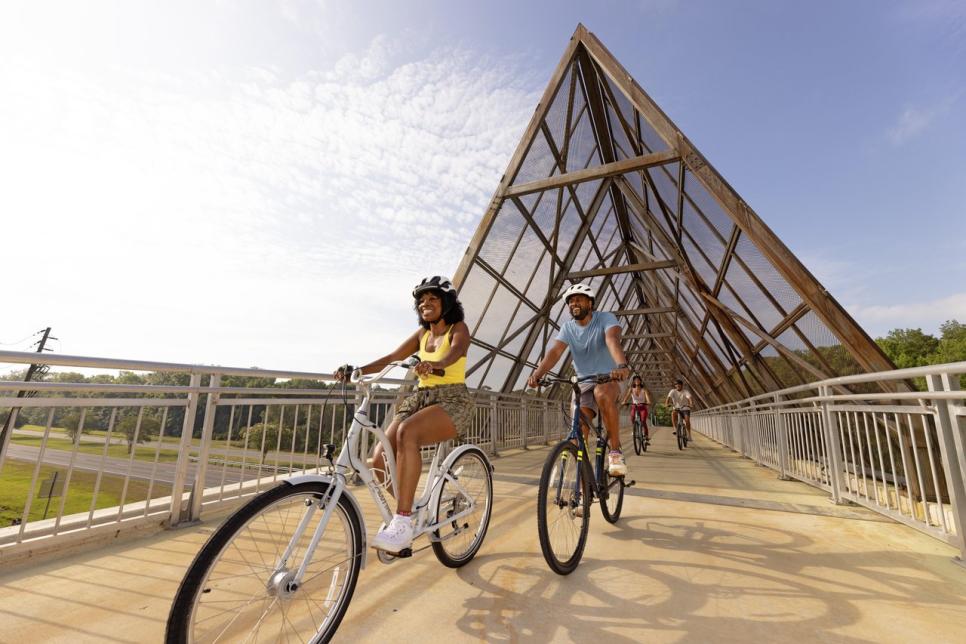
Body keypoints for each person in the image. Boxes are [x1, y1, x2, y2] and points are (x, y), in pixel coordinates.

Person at [335, 276, 473, 553]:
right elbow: (391, 357)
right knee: (378, 460)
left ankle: (402, 520)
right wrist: (357, 370)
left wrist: (435, 366)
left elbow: (455, 353)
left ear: (446, 302)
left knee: (407, 433)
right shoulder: (422, 335)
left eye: (433, 298)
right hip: (420, 398)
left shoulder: (458, 328)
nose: (426, 304)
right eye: (421, 301)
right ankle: (409, 509)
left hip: (452, 398)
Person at [527, 283, 631, 476]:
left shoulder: (605, 318)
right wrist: (537, 374)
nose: (574, 303)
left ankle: (615, 452)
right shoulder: (567, 328)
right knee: (578, 433)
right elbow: (555, 352)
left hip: (609, 377)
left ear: (590, 303)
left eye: (579, 299)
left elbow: (612, 339)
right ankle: (582, 490)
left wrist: (621, 366)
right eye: (571, 301)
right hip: (583, 381)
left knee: (602, 394)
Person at [621, 375, 652, 445]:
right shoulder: (631, 389)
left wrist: (648, 401)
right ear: (634, 382)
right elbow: (627, 396)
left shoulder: (644, 390)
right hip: (634, 406)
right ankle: (634, 429)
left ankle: (646, 437)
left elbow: (647, 397)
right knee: (632, 418)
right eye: (635, 380)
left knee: (643, 421)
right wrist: (624, 401)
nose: (637, 381)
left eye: (638, 380)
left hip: (642, 407)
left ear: (640, 381)